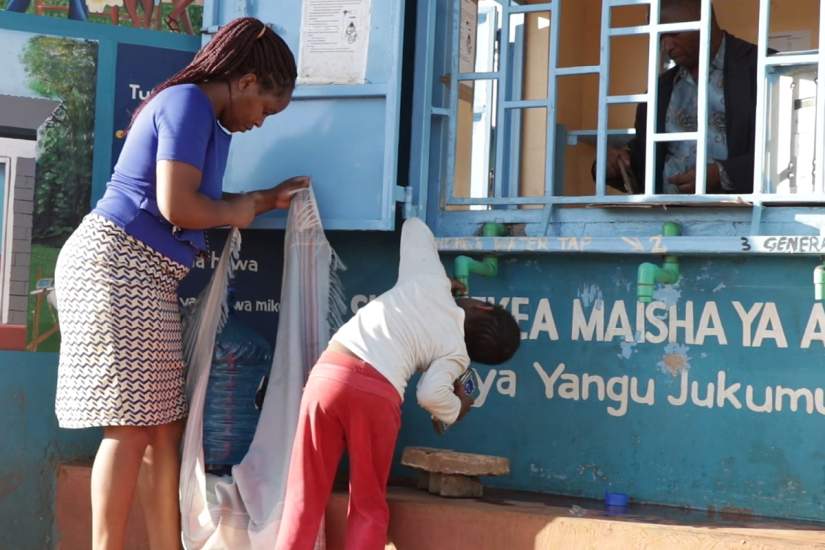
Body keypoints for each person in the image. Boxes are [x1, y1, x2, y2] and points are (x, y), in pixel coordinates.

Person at [54, 17, 305, 550]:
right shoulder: (189, 103)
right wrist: (241, 208)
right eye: (265, 107)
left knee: (164, 425)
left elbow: (203, 204)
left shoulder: (206, 119)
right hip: (116, 266)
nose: (261, 122)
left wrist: (261, 199)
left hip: (142, 273)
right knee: (129, 425)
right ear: (245, 80)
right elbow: (179, 205)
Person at [274, 217, 522, 550]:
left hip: (329, 373)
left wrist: (442, 280)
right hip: (377, 395)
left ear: (480, 306)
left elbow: (415, 227)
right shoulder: (456, 353)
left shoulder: (430, 279)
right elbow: (431, 395)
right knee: (367, 504)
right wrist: (458, 407)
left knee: (303, 495)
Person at [603, 0, 759, 195]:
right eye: (661, 36)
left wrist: (725, 175)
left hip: (745, 218)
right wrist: (614, 165)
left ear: (705, 22)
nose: (667, 46)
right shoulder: (659, 90)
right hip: (667, 216)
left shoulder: (764, 70)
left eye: (674, 33)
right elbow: (647, 163)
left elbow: (791, 153)